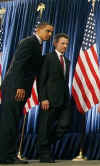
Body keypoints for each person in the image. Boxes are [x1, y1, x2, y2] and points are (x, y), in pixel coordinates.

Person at [0, 22, 53, 164]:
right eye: (48, 31)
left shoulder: (37, 44)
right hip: (15, 88)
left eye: (51, 32)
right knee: (9, 122)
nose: (50, 34)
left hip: (19, 88)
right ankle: (5, 156)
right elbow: (18, 64)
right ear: (39, 29)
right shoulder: (29, 42)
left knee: (12, 122)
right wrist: (19, 86)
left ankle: (8, 155)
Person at [38, 33, 71, 163]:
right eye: (63, 43)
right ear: (55, 43)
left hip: (63, 100)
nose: (65, 46)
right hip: (49, 100)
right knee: (45, 126)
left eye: (67, 44)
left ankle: (44, 144)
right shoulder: (47, 58)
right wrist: (43, 98)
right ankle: (44, 154)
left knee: (65, 124)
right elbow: (41, 79)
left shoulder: (67, 61)